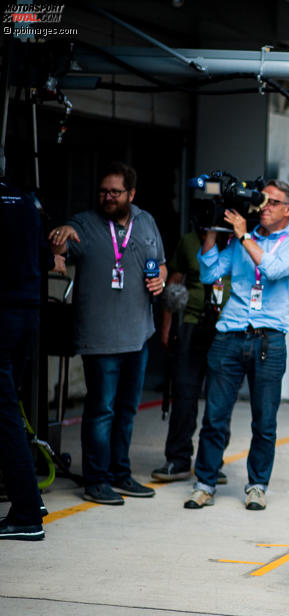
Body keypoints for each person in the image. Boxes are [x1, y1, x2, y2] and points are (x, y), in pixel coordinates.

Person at [184, 180, 289, 510]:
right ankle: (204, 482)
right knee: (214, 416)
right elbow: (209, 272)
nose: (263, 207)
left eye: (271, 202)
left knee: (264, 420)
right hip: (229, 335)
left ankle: (256, 485)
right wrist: (211, 230)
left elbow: (271, 269)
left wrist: (242, 235)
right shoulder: (243, 239)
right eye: (261, 201)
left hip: (269, 340)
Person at [49, 162, 166, 505]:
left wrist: (160, 275)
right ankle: (96, 480)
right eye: (103, 191)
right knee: (101, 411)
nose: (107, 197)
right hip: (99, 339)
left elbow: (159, 262)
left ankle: (120, 473)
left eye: (115, 192)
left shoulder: (146, 222)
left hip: (138, 335)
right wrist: (58, 246)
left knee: (127, 410)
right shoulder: (83, 224)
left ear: (131, 194)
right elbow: (58, 244)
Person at [0, 150, 63, 540]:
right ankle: (30, 499)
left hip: (3, 316)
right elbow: (48, 256)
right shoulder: (24, 201)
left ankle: (26, 512)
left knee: (5, 415)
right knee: (8, 409)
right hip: (26, 317)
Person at [151, 231, 231, 482]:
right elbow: (173, 283)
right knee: (184, 394)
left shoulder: (246, 240)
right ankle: (178, 459)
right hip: (191, 324)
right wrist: (166, 328)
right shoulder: (190, 240)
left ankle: (212, 463)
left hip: (229, 328)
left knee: (220, 401)